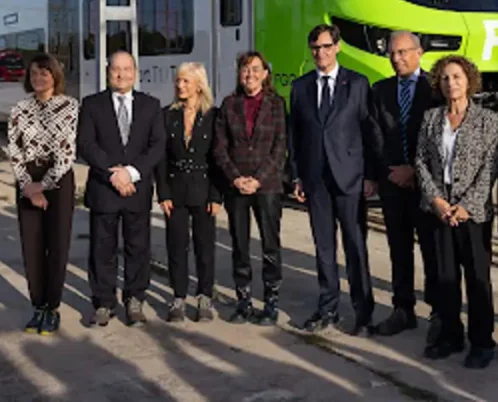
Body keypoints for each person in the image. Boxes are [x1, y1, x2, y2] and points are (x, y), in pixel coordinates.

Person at [289, 23, 378, 335]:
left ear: (338, 47)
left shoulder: (357, 84)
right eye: (315, 48)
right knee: (324, 248)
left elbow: (369, 132)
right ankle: (327, 308)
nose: (321, 53)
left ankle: (363, 313)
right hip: (316, 181)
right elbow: (295, 137)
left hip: (350, 179)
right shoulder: (300, 88)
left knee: (355, 247)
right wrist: (298, 176)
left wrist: (370, 175)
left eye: (327, 47)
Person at [415, 54, 498, 369]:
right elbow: (421, 161)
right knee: (445, 278)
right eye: (446, 78)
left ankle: (482, 342)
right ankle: (450, 335)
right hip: (439, 210)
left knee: (478, 279)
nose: (452, 83)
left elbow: (490, 168)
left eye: (457, 77)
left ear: (469, 81)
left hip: (472, 214)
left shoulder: (487, 120)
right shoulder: (431, 118)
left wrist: (466, 206)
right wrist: (437, 201)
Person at [78, 50, 166, 326]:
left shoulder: (151, 106)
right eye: (116, 69)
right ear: (108, 71)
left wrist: (130, 173)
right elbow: (86, 145)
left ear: (135, 72)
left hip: (136, 190)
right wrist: (112, 174)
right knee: (102, 249)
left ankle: (135, 299)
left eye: (127, 69)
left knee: (137, 248)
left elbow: (158, 145)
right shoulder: (92, 105)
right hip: (104, 190)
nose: (122, 74)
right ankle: (104, 302)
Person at [367, 31, 440, 341]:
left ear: (419, 52)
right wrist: (388, 171)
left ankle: (439, 311)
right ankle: (402, 309)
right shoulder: (380, 90)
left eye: (403, 52)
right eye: (392, 54)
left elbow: (439, 139)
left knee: (433, 250)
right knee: (399, 249)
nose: (397, 59)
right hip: (392, 184)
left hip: (427, 187)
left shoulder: (435, 90)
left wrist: (415, 171)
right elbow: (374, 136)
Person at [7, 53, 80, 336]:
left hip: (58, 181)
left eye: (44, 73)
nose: (39, 78)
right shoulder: (19, 108)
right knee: (32, 246)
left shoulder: (69, 107)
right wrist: (27, 184)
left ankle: (53, 308)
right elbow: (14, 149)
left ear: (55, 76)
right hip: (27, 178)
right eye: (35, 73)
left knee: (57, 245)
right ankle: (38, 306)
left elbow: (67, 151)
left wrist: (44, 185)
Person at [214, 51, 288, 325]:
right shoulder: (229, 104)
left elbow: (280, 147)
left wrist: (258, 179)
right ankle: (243, 301)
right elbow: (220, 148)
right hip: (236, 187)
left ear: (266, 74)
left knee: (270, 245)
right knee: (240, 245)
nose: (250, 75)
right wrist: (235, 178)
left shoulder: (276, 104)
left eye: (256, 69)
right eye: (246, 69)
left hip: (267, 186)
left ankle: (271, 303)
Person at [156, 62, 221, 323]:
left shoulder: (213, 116)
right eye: (178, 81)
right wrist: (162, 193)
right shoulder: (167, 115)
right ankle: (179, 296)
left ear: (199, 84)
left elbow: (218, 159)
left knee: (205, 247)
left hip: (204, 189)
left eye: (185, 81)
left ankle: (205, 296)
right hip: (175, 189)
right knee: (176, 245)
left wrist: (217, 195)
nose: (180, 86)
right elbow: (161, 158)